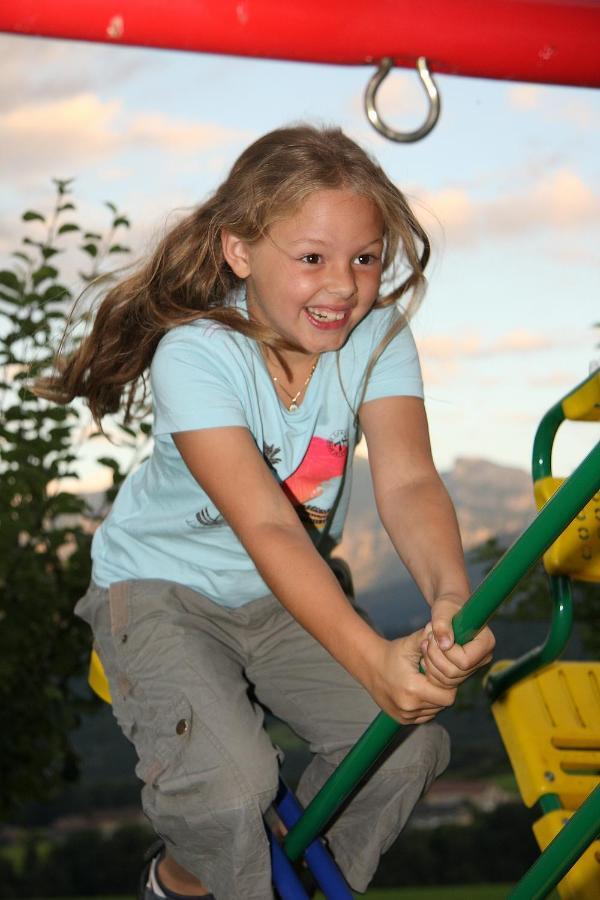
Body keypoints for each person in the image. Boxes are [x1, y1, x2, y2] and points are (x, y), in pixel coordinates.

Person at [38, 124, 495, 900]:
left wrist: (451, 598)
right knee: (229, 792)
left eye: (365, 257)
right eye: (312, 258)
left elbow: (410, 483)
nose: (344, 286)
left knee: (406, 751)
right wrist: (373, 659)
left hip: (276, 596)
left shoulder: (377, 338)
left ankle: (274, 877)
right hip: (161, 591)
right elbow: (271, 525)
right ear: (241, 253)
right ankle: (184, 880)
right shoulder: (197, 352)